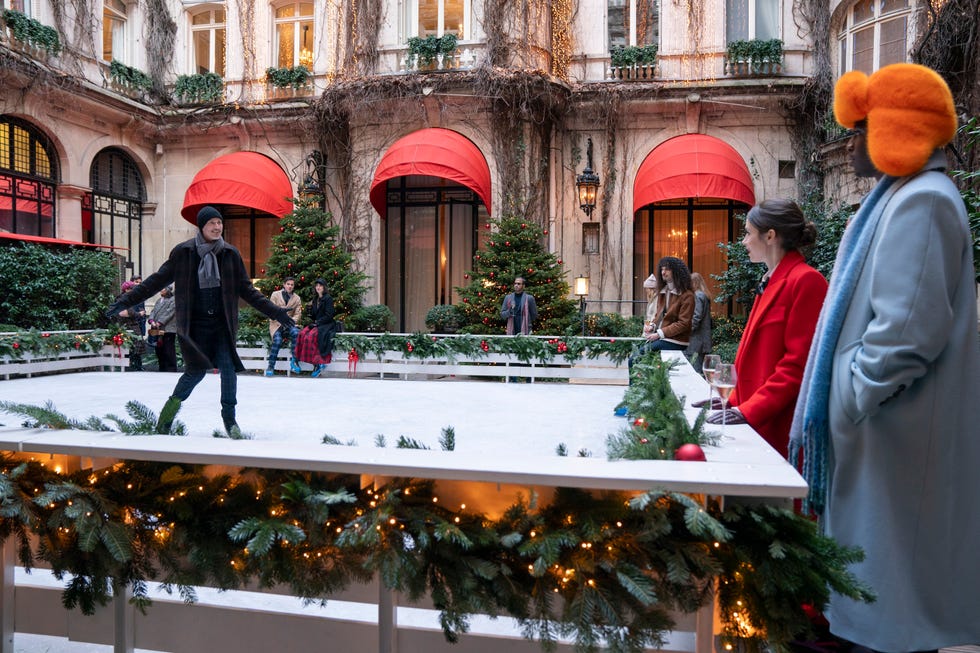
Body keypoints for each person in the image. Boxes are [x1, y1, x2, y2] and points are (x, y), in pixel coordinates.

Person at [790, 63, 980, 652]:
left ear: (897, 130)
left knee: (893, 608)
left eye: (863, 130)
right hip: (888, 441)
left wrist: (846, 399)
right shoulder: (908, 198)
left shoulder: (922, 202)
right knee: (880, 597)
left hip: (896, 445)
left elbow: (903, 338)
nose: (851, 148)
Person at [107, 205, 296, 435]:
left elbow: (249, 292)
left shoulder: (230, 254)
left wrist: (276, 312)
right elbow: (155, 282)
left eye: (219, 223)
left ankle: (230, 421)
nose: (217, 227)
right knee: (194, 372)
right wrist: (126, 301)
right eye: (212, 224)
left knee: (228, 371)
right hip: (195, 327)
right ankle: (166, 417)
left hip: (221, 326)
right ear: (202, 227)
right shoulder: (184, 253)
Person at [699, 198, 828, 456]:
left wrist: (747, 409)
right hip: (757, 421)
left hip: (779, 426)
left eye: (748, 233)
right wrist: (730, 401)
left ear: (770, 236)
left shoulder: (806, 281)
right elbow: (755, 358)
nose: (744, 241)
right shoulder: (770, 279)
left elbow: (796, 367)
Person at [295, 278, 339, 378]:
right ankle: (298, 359)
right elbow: (315, 315)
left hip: (326, 324)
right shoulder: (315, 299)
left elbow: (329, 315)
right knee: (302, 333)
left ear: (324, 287)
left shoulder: (328, 298)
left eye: (320, 286)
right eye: (317, 286)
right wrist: (310, 313)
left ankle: (317, 363)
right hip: (317, 323)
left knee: (311, 336)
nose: (318, 287)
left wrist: (317, 323)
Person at [265, 276, 303, 376]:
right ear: (284, 285)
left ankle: (295, 361)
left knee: (296, 333)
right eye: (288, 284)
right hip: (276, 324)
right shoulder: (275, 295)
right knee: (277, 340)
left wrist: (291, 321)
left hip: (289, 323)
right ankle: (271, 366)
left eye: (292, 285)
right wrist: (281, 320)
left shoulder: (297, 298)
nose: (290, 286)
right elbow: (270, 310)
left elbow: (298, 314)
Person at [114, 281, 146, 371]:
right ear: (127, 289)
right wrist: (139, 314)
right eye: (132, 289)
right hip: (128, 326)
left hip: (130, 326)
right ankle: (133, 367)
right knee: (132, 347)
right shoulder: (123, 298)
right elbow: (124, 313)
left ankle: (135, 366)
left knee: (134, 347)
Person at [685, 272, 713, 373]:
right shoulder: (704, 295)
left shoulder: (698, 296)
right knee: (699, 370)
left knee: (695, 372)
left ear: (694, 283)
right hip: (702, 341)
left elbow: (696, 317)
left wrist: (685, 331)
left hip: (695, 341)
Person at [147, 286, 178, 372]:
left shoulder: (173, 300)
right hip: (157, 328)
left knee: (168, 348)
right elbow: (153, 311)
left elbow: (169, 313)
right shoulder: (159, 300)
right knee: (159, 349)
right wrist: (151, 320)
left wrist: (160, 322)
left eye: (163, 289)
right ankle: (162, 367)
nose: (161, 290)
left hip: (168, 328)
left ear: (168, 290)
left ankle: (171, 368)